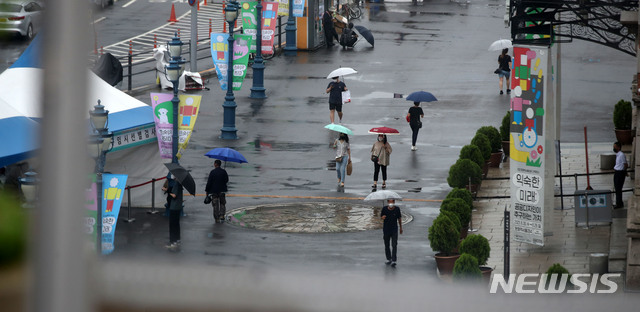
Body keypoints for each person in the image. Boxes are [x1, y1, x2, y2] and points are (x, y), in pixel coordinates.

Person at [381, 199, 403, 267]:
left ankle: (394, 260)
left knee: (394, 245)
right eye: (389, 202)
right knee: (386, 245)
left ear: (394, 202)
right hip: (386, 230)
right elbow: (381, 216)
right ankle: (389, 258)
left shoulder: (397, 209)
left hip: (394, 230)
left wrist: (401, 228)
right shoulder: (384, 209)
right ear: (388, 203)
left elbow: (399, 218)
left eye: (392, 202)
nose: (391, 203)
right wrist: (382, 217)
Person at [166, 180, 183, 251]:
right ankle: (178, 239)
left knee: (172, 224)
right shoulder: (180, 184)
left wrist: (168, 192)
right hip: (178, 207)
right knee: (176, 224)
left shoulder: (176, 184)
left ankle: (173, 241)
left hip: (174, 207)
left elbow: (174, 195)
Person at [613, 142, 628, 208]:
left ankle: (619, 203)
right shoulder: (618, 154)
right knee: (617, 188)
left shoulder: (621, 155)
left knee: (618, 189)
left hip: (620, 173)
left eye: (615, 147)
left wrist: (624, 172)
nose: (614, 148)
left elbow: (625, 164)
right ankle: (619, 202)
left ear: (618, 147)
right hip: (617, 172)